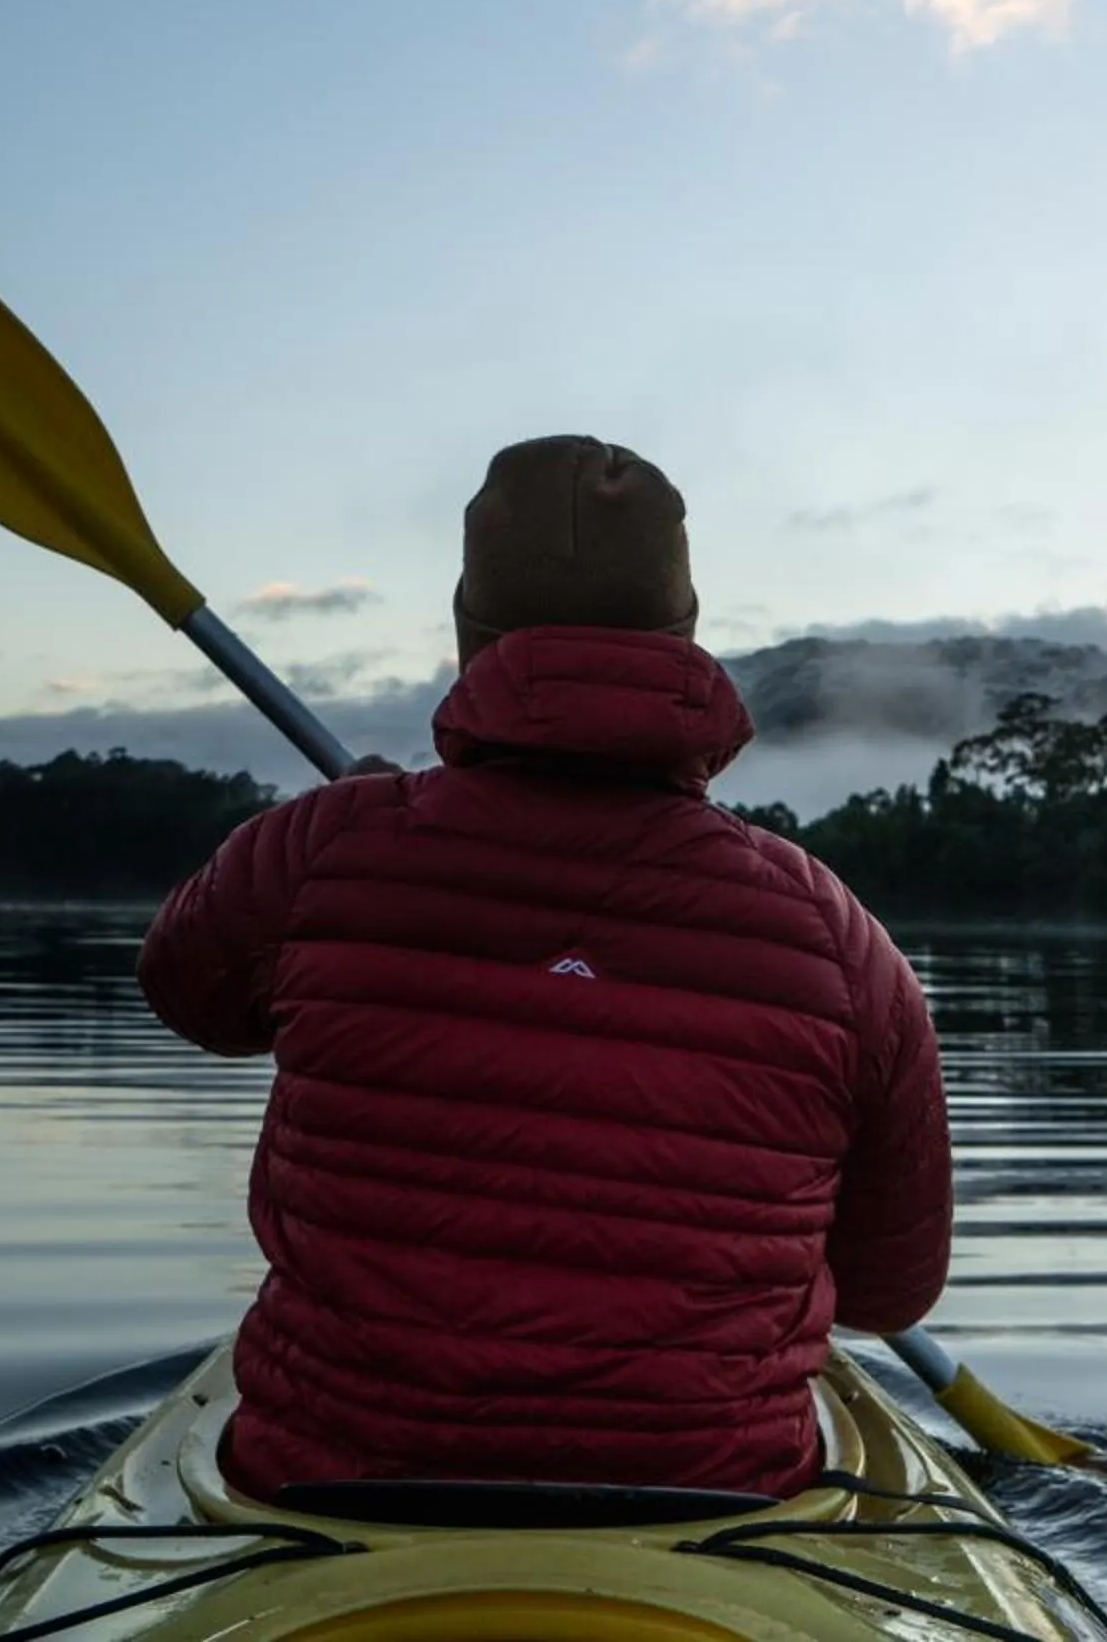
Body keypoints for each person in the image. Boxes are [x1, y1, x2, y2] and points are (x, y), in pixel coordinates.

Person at [139, 435, 951, 1503]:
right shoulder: (837, 937)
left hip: (326, 1482)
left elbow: (187, 992)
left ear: (470, 637)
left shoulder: (323, 849)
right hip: (718, 1495)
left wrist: (339, 842)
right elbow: (888, 1291)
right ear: (685, 636)